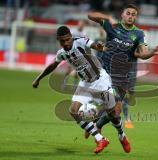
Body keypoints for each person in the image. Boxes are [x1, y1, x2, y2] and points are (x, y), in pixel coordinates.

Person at [32, 26, 128, 154]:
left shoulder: (79, 41)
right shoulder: (61, 53)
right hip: (85, 84)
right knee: (73, 111)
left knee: (113, 115)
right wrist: (38, 79)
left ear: (71, 37)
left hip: (100, 80)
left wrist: (100, 47)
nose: (66, 43)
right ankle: (100, 139)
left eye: (67, 40)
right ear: (58, 40)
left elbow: (93, 44)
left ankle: (122, 135)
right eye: (62, 41)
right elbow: (52, 65)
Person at [87, 4, 158, 140]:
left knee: (116, 112)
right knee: (109, 105)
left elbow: (142, 54)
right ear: (122, 15)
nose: (131, 16)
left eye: (133, 14)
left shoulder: (139, 34)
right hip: (105, 74)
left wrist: (153, 51)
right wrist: (108, 17)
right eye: (128, 13)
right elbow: (90, 16)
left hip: (122, 76)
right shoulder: (113, 27)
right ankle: (95, 122)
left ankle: (97, 124)